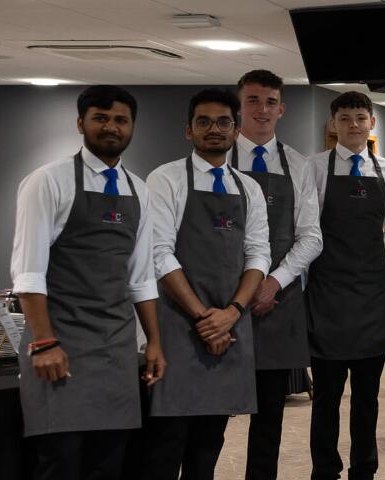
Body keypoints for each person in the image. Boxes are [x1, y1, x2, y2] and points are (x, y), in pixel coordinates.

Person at [12, 85, 165, 480]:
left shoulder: (139, 190)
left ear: (132, 127)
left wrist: (154, 342)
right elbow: (29, 273)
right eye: (101, 118)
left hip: (116, 350)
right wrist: (44, 342)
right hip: (61, 345)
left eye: (120, 120)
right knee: (60, 462)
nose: (111, 127)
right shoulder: (48, 181)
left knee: (109, 464)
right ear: (81, 123)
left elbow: (141, 277)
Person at [140, 88, 271, 479]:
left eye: (223, 122)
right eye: (204, 122)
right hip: (178, 325)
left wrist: (231, 313)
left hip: (230, 325)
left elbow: (259, 255)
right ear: (189, 130)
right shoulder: (165, 179)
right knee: (167, 440)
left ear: (236, 130)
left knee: (210, 440)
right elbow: (159, 253)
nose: (214, 129)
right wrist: (204, 318)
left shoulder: (248, 188)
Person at [304, 91, 385, 480]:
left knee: (368, 396)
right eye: (344, 118)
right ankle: (324, 470)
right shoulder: (314, 167)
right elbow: (307, 233)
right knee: (326, 397)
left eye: (360, 118)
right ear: (333, 124)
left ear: (371, 123)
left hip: (372, 296)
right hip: (327, 295)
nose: (353, 125)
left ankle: (365, 469)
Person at [231, 69, 323, 480]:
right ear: (240, 106)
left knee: (269, 418)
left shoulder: (299, 166)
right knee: (208, 416)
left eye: (270, 101)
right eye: (252, 100)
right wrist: (240, 291)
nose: (262, 109)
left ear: (281, 109)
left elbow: (311, 237)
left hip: (276, 303)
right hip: (222, 302)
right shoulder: (217, 160)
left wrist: (272, 282)